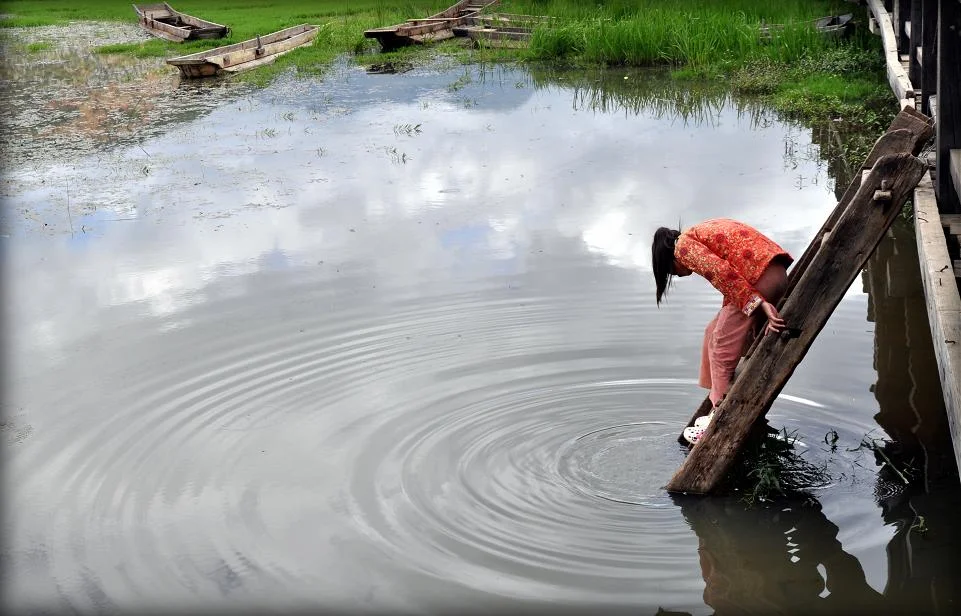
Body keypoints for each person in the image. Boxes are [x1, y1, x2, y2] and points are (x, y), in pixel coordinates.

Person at [651, 218, 793, 445]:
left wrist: (759, 304)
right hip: (773, 275)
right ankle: (717, 393)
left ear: (670, 258)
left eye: (672, 272)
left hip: (761, 281)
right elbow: (730, 277)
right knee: (712, 331)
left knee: (719, 346)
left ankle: (719, 412)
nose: (677, 275)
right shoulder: (696, 234)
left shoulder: (683, 248)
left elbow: (721, 273)